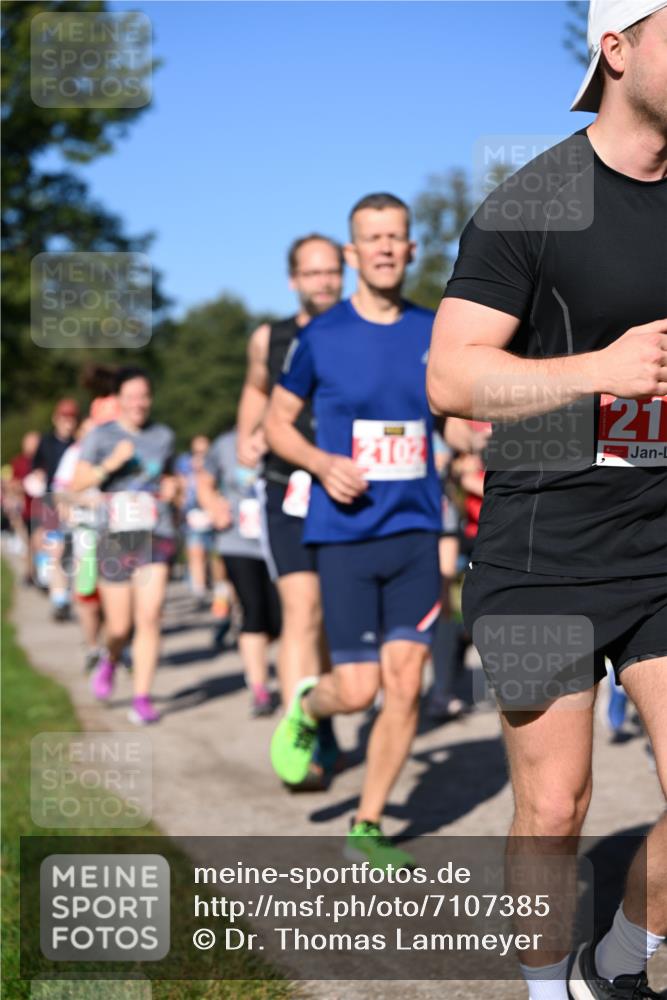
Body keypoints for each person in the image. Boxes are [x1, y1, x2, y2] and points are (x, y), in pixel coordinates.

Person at [426, 2, 667, 996]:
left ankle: (620, 952)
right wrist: (598, 369)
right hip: (538, 552)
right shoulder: (536, 200)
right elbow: (450, 377)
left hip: (659, 546)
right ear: (616, 49)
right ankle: (539, 984)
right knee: (555, 804)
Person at [266, 193, 442, 867]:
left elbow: (454, 414)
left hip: (415, 531)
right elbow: (275, 424)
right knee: (359, 689)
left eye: (396, 236)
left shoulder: (435, 330)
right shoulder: (321, 336)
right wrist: (319, 460)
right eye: (373, 237)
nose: (386, 247)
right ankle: (311, 706)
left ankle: (367, 822)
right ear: (352, 253)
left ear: (411, 249)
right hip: (341, 533)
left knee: (405, 682)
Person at [236, 233, 344, 784]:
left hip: (346, 489)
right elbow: (257, 389)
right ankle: (296, 734)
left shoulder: (357, 331)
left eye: (332, 272)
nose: (324, 281)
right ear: (293, 280)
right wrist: (246, 436)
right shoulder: (270, 338)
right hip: (285, 487)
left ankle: (320, 711)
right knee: (300, 610)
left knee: (327, 615)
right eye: (313, 273)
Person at [72, 367, 178, 725]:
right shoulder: (102, 436)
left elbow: (168, 476)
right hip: (115, 537)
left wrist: (173, 488)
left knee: (149, 617)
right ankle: (111, 659)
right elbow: (77, 482)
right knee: (119, 626)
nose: (139, 403)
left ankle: (142, 696)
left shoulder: (163, 435)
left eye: (144, 396)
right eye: (131, 397)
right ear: (117, 400)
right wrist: (111, 465)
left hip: (155, 533)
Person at [198, 427, 281, 717]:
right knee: (253, 609)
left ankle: (267, 655)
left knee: (280, 619)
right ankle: (259, 688)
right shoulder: (225, 443)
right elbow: (205, 482)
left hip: (279, 541)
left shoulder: (284, 435)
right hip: (237, 542)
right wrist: (213, 506)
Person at [52, 417, 106, 672]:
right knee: (87, 593)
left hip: (117, 534)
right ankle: (93, 645)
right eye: (88, 431)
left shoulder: (113, 453)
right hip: (84, 532)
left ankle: (115, 646)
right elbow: (59, 492)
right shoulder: (73, 455)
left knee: (115, 594)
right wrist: (82, 500)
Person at [31, 398, 80, 618]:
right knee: (56, 551)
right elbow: (36, 470)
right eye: (64, 418)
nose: (67, 423)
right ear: (56, 419)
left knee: (77, 554)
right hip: (52, 503)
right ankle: (60, 599)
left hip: (77, 503)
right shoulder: (46, 442)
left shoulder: (80, 444)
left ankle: (75, 594)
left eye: (71, 418)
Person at [175, 434, 222, 609]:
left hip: (213, 511)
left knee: (216, 556)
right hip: (193, 513)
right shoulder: (184, 464)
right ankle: (199, 591)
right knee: (196, 553)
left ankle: (220, 588)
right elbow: (181, 488)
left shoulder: (215, 462)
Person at [8, 431, 41, 585]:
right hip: (27, 510)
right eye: (30, 443)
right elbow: (12, 485)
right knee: (29, 544)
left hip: (44, 510)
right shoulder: (18, 462)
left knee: (41, 544)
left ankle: (41, 575)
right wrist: (21, 487)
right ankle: (30, 573)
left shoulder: (44, 461)